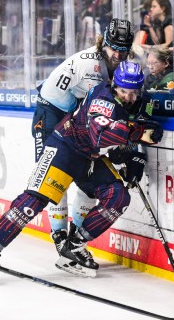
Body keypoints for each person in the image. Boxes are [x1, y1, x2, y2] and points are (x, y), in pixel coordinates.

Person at [0, 62, 163, 278]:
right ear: (115, 85)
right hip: (65, 148)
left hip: (90, 157)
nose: (129, 97)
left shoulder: (141, 102)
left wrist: (134, 156)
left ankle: (74, 246)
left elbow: (140, 128)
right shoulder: (103, 99)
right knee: (34, 202)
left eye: (134, 92)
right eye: (124, 91)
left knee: (118, 197)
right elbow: (102, 135)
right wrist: (137, 133)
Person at [27, 18, 135, 275]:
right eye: (114, 48)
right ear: (104, 44)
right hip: (50, 116)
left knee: (87, 178)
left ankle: (73, 239)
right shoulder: (92, 65)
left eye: (123, 49)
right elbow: (97, 107)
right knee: (54, 179)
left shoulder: (112, 62)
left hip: (70, 116)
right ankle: (60, 240)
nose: (118, 55)